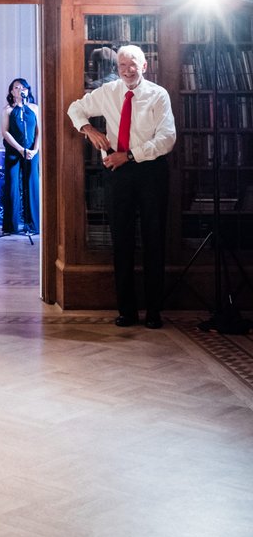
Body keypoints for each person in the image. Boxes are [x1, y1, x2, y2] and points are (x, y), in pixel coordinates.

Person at [67, 44, 176, 329]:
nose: (127, 70)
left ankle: (154, 312)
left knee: (154, 239)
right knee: (121, 242)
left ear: (144, 67)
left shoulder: (158, 94)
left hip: (151, 170)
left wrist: (128, 155)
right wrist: (89, 130)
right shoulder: (109, 92)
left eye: (132, 65)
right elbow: (75, 108)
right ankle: (126, 311)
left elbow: (167, 139)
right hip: (118, 173)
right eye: (122, 66)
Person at [0, 78, 40, 235]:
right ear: (12, 92)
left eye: (23, 87)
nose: (20, 90)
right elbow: (5, 132)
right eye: (16, 88)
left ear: (27, 90)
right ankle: (11, 226)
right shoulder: (8, 110)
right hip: (14, 152)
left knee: (32, 184)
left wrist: (35, 150)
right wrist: (19, 149)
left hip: (32, 152)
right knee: (12, 186)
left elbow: (38, 131)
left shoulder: (34, 108)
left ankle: (33, 224)